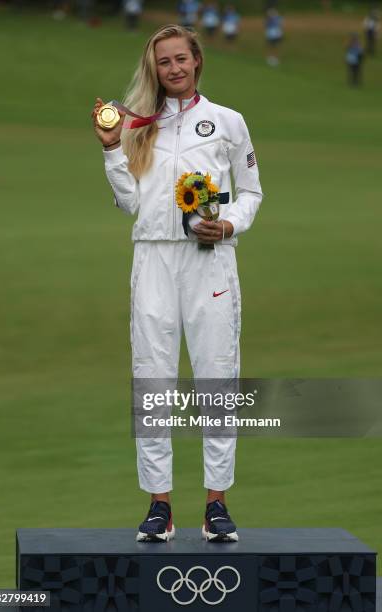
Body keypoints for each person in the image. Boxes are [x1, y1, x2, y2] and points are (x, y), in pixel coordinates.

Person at [92, 24, 263, 543]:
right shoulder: (137, 124)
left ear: (197, 61)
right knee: (152, 381)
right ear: (155, 68)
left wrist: (229, 223)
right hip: (153, 262)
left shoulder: (227, 122)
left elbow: (251, 192)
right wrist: (110, 149)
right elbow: (129, 202)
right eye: (163, 61)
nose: (174, 69)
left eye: (181, 59)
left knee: (216, 379)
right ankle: (159, 506)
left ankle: (217, 504)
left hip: (209, 260)